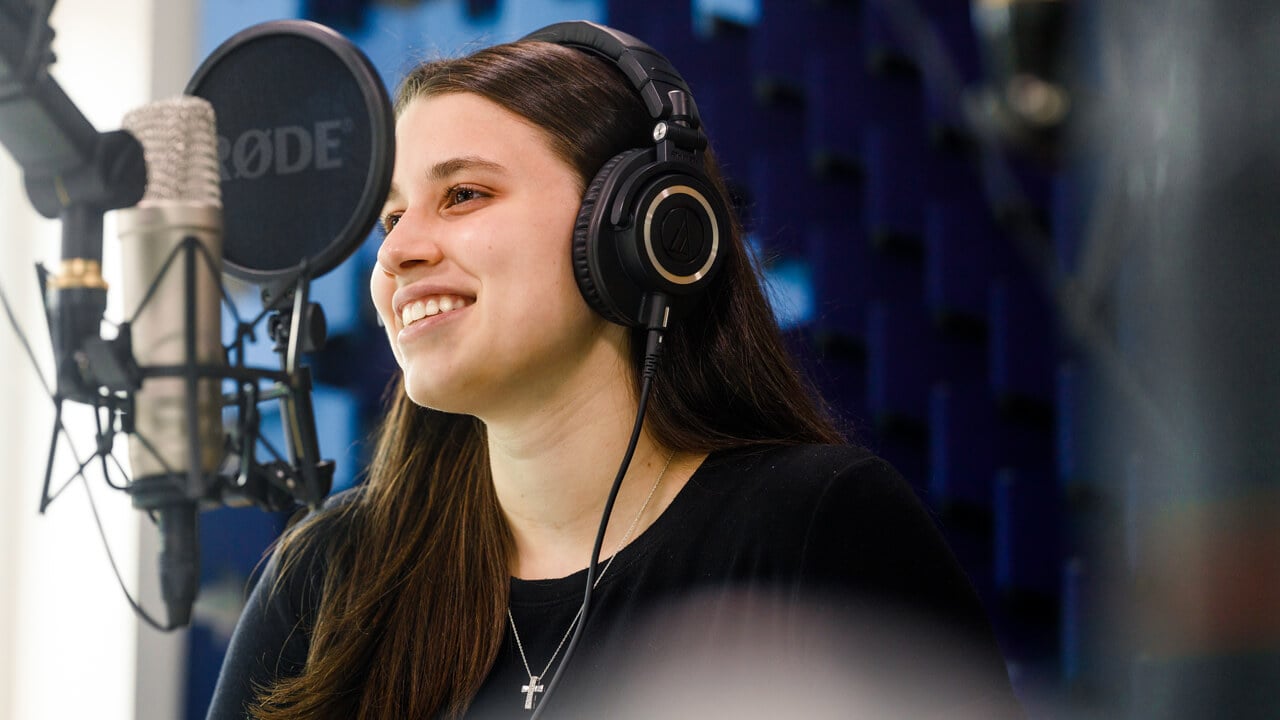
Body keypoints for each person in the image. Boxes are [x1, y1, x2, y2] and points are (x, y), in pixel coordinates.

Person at [207, 21, 1024, 720]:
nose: (395, 252)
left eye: (462, 195)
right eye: (390, 217)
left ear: (638, 232)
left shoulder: (818, 530)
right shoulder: (330, 578)